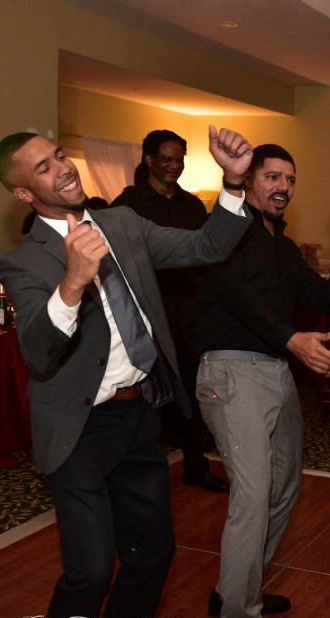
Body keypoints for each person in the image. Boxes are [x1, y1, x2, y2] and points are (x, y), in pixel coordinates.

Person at [0, 125, 254, 618]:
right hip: (79, 430)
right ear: (22, 192)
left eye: (59, 156)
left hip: (137, 417)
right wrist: (71, 283)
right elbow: (38, 351)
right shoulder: (23, 262)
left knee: (151, 554)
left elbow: (206, 246)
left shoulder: (122, 223)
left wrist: (233, 183)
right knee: (89, 573)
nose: (63, 168)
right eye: (43, 168)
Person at [194, 143, 330, 618]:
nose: (283, 186)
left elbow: (324, 296)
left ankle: (235, 589)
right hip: (231, 369)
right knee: (253, 494)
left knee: (285, 485)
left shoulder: (283, 247)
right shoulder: (227, 231)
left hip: (274, 369)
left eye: (290, 178)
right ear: (248, 180)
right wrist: (291, 339)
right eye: (272, 176)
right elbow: (237, 297)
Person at [112, 129, 228, 493]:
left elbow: (206, 258)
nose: (174, 166)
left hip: (188, 314)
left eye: (179, 159)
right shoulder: (126, 206)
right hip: (143, 315)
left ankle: (195, 466)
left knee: (191, 393)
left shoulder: (192, 206)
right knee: (143, 397)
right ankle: (137, 477)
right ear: (148, 160)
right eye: (166, 159)